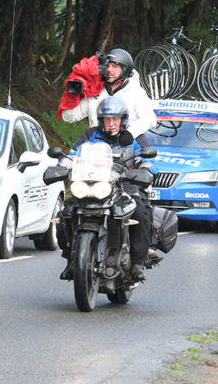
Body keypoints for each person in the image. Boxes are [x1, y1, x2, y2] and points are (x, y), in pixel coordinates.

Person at [59, 96, 153, 282]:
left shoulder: (133, 136)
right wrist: (62, 166)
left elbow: (148, 160)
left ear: (123, 120)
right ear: (101, 121)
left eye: (115, 119)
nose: (111, 123)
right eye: (107, 119)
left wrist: (144, 167)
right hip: (91, 186)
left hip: (125, 188)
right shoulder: (90, 134)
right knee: (64, 214)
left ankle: (137, 262)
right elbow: (72, 155)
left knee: (140, 214)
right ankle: (71, 259)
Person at [60, 48, 157, 141]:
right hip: (97, 146)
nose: (109, 70)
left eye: (114, 66)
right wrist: (72, 96)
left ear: (125, 69)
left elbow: (150, 119)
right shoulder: (95, 91)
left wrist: (130, 133)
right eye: (107, 66)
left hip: (125, 147)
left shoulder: (136, 92)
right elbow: (68, 117)